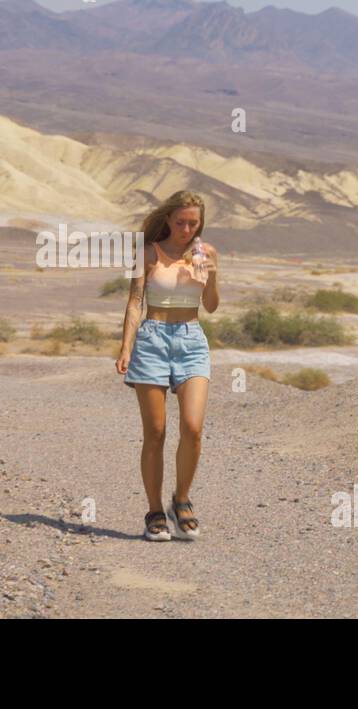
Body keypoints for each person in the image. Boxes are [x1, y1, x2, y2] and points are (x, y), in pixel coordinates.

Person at [115, 190, 219, 541]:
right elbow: (134, 303)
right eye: (180, 222)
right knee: (155, 432)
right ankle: (154, 511)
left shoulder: (207, 254)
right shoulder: (146, 253)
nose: (186, 229)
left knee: (192, 428)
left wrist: (212, 275)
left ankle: (182, 499)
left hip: (191, 341)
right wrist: (126, 347)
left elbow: (212, 306)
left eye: (194, 223)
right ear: (168, 219)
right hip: (152, 341)